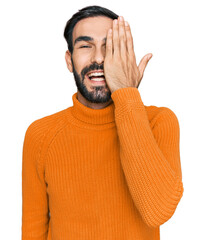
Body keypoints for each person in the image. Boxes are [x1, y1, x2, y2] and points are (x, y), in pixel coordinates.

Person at [21, 5, 184, 240]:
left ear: (125, 58)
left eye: (110, 48)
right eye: (86, 46)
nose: (99, 58)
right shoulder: (41, 134)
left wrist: (127, 94)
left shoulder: (159, 122)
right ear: (69, 61)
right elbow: (33, 231)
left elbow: (157, 212)